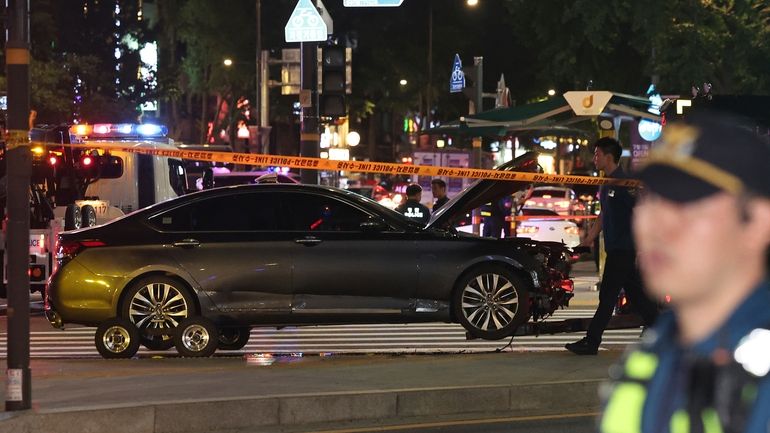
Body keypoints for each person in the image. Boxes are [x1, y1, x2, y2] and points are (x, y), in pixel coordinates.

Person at [598, 111, 770, 433]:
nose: (656, 225)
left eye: (689, 203)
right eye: (653, 199)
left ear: (758, 222)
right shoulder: (646, 362)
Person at [566, 137, 658, 355]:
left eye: (597, 154)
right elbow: (603, 214)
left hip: (624, 248)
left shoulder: (625, 183)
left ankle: (591, 341)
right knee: (638, 297)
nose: (594, 158)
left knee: (607, 296)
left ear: (608, 157)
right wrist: (588, 239)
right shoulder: (605, 183)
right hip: (615, 247)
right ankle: (666, 331)